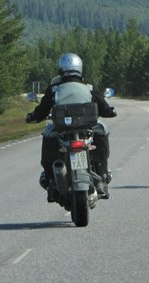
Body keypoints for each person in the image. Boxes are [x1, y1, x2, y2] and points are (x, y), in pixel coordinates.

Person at [26, 52, 116, 201]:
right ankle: (102, 175)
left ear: (61, 70)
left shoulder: (54, 89)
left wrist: (32, 117)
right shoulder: (89, 88)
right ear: (80, 69)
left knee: (48, 134)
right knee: (102, 130)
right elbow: (104, 108)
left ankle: (49, 179)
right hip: (86, 129)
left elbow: (41, 111)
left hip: (62, 129)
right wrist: (110, 111)